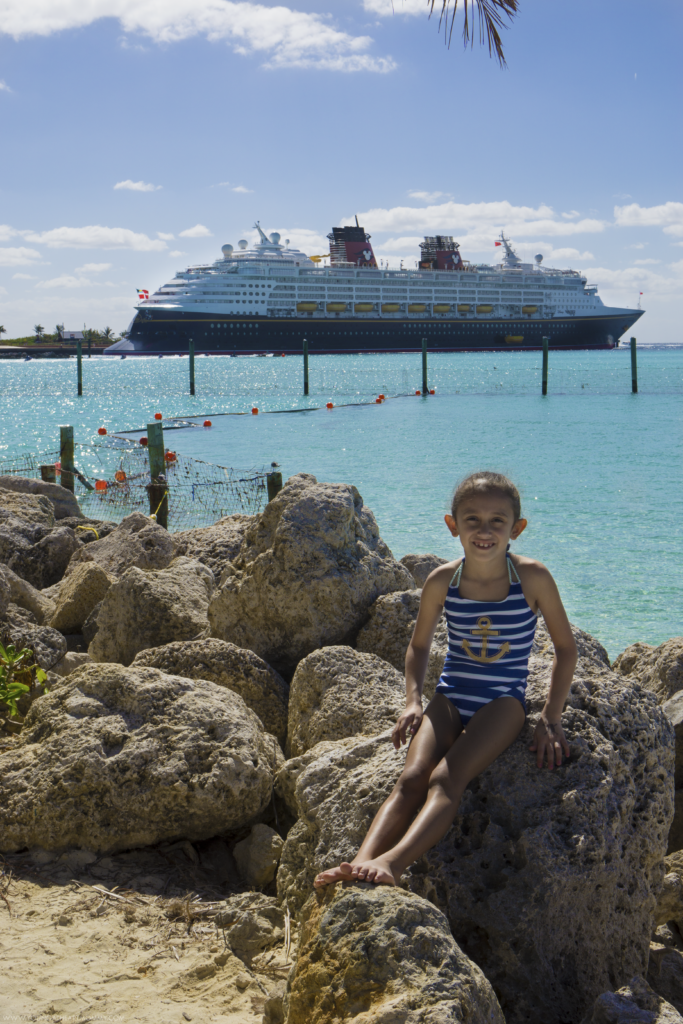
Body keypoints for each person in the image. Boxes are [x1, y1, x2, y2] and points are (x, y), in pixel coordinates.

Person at [315, 471, 578, 889]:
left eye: (498, 520)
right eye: (472, 519)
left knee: (445, 778)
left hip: (502, 703)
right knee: (412, 777)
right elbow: (419, 647)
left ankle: (393, 863)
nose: (485, 530)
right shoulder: (443, 581)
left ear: (518, 528)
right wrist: (413, 701)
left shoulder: (532, 579)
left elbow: (566, 649)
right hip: (451, 696)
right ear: (452, 525)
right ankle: (360, 861)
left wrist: (551, 714)